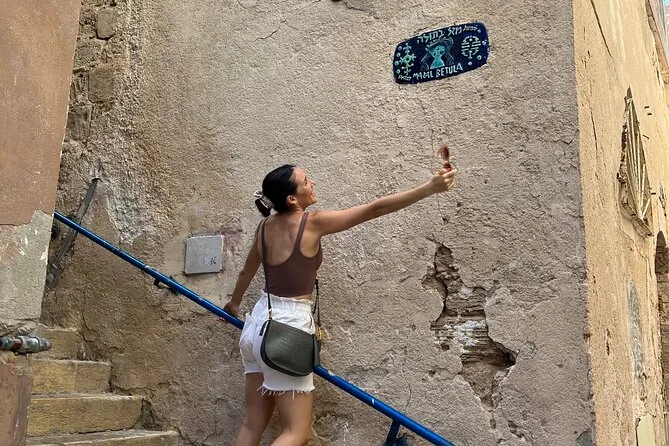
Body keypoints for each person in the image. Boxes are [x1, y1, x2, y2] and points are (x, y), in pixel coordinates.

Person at [223, 162, 457, 446]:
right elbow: (375, 209)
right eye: (306, 182)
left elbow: (246, 271)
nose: (312, 184)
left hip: (257, 324)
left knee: (251, 425)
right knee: (296, 433)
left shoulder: (264, 228)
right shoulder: (313, 222)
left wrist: (234, 303)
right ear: (292, 199)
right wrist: (429, 188)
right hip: (287, 329)